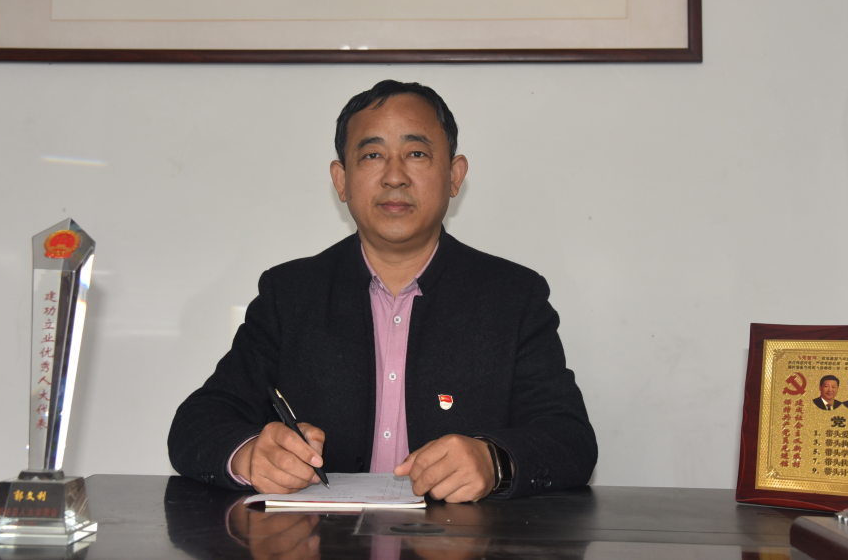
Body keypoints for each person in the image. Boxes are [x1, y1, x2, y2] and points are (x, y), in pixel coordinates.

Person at [167, 80, 597, 502]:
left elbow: (570, 438)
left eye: (416, 153)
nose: (394, 177)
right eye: (372, 155)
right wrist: (249, 455)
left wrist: (494, 461)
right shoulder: (290, 295)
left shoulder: (513, 297)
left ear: (454, 175)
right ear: (341, 180)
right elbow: (197, 423)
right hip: (320, 538)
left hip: (462, 539)